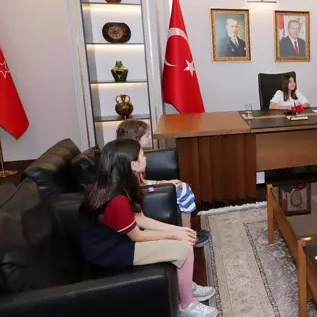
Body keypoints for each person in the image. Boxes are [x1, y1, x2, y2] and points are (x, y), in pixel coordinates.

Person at [79, 139, 218, 317]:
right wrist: (174, 236)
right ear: (133, 164)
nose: (146, 158)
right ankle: (187, 305)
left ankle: (185, 285)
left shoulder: (118, 186)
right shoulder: (117, 199)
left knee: (183, 239)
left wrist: (177, 230)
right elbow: (137, 236)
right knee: (183, 248)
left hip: (116, 241)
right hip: (110, 251)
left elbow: (140, 219)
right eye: (142, 155)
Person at [116, 119, 209, 248]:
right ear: (136, 138)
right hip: (144, 192)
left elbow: (143, 182)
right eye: (147, 136)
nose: (150, 138)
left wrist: (166, 183)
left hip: (145, 187)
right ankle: (189, 235)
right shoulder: (131, 162)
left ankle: (187, 232)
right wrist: (165, 186)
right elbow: (138, 188)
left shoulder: (130, 157)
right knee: (184, 191)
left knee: (181, 186)